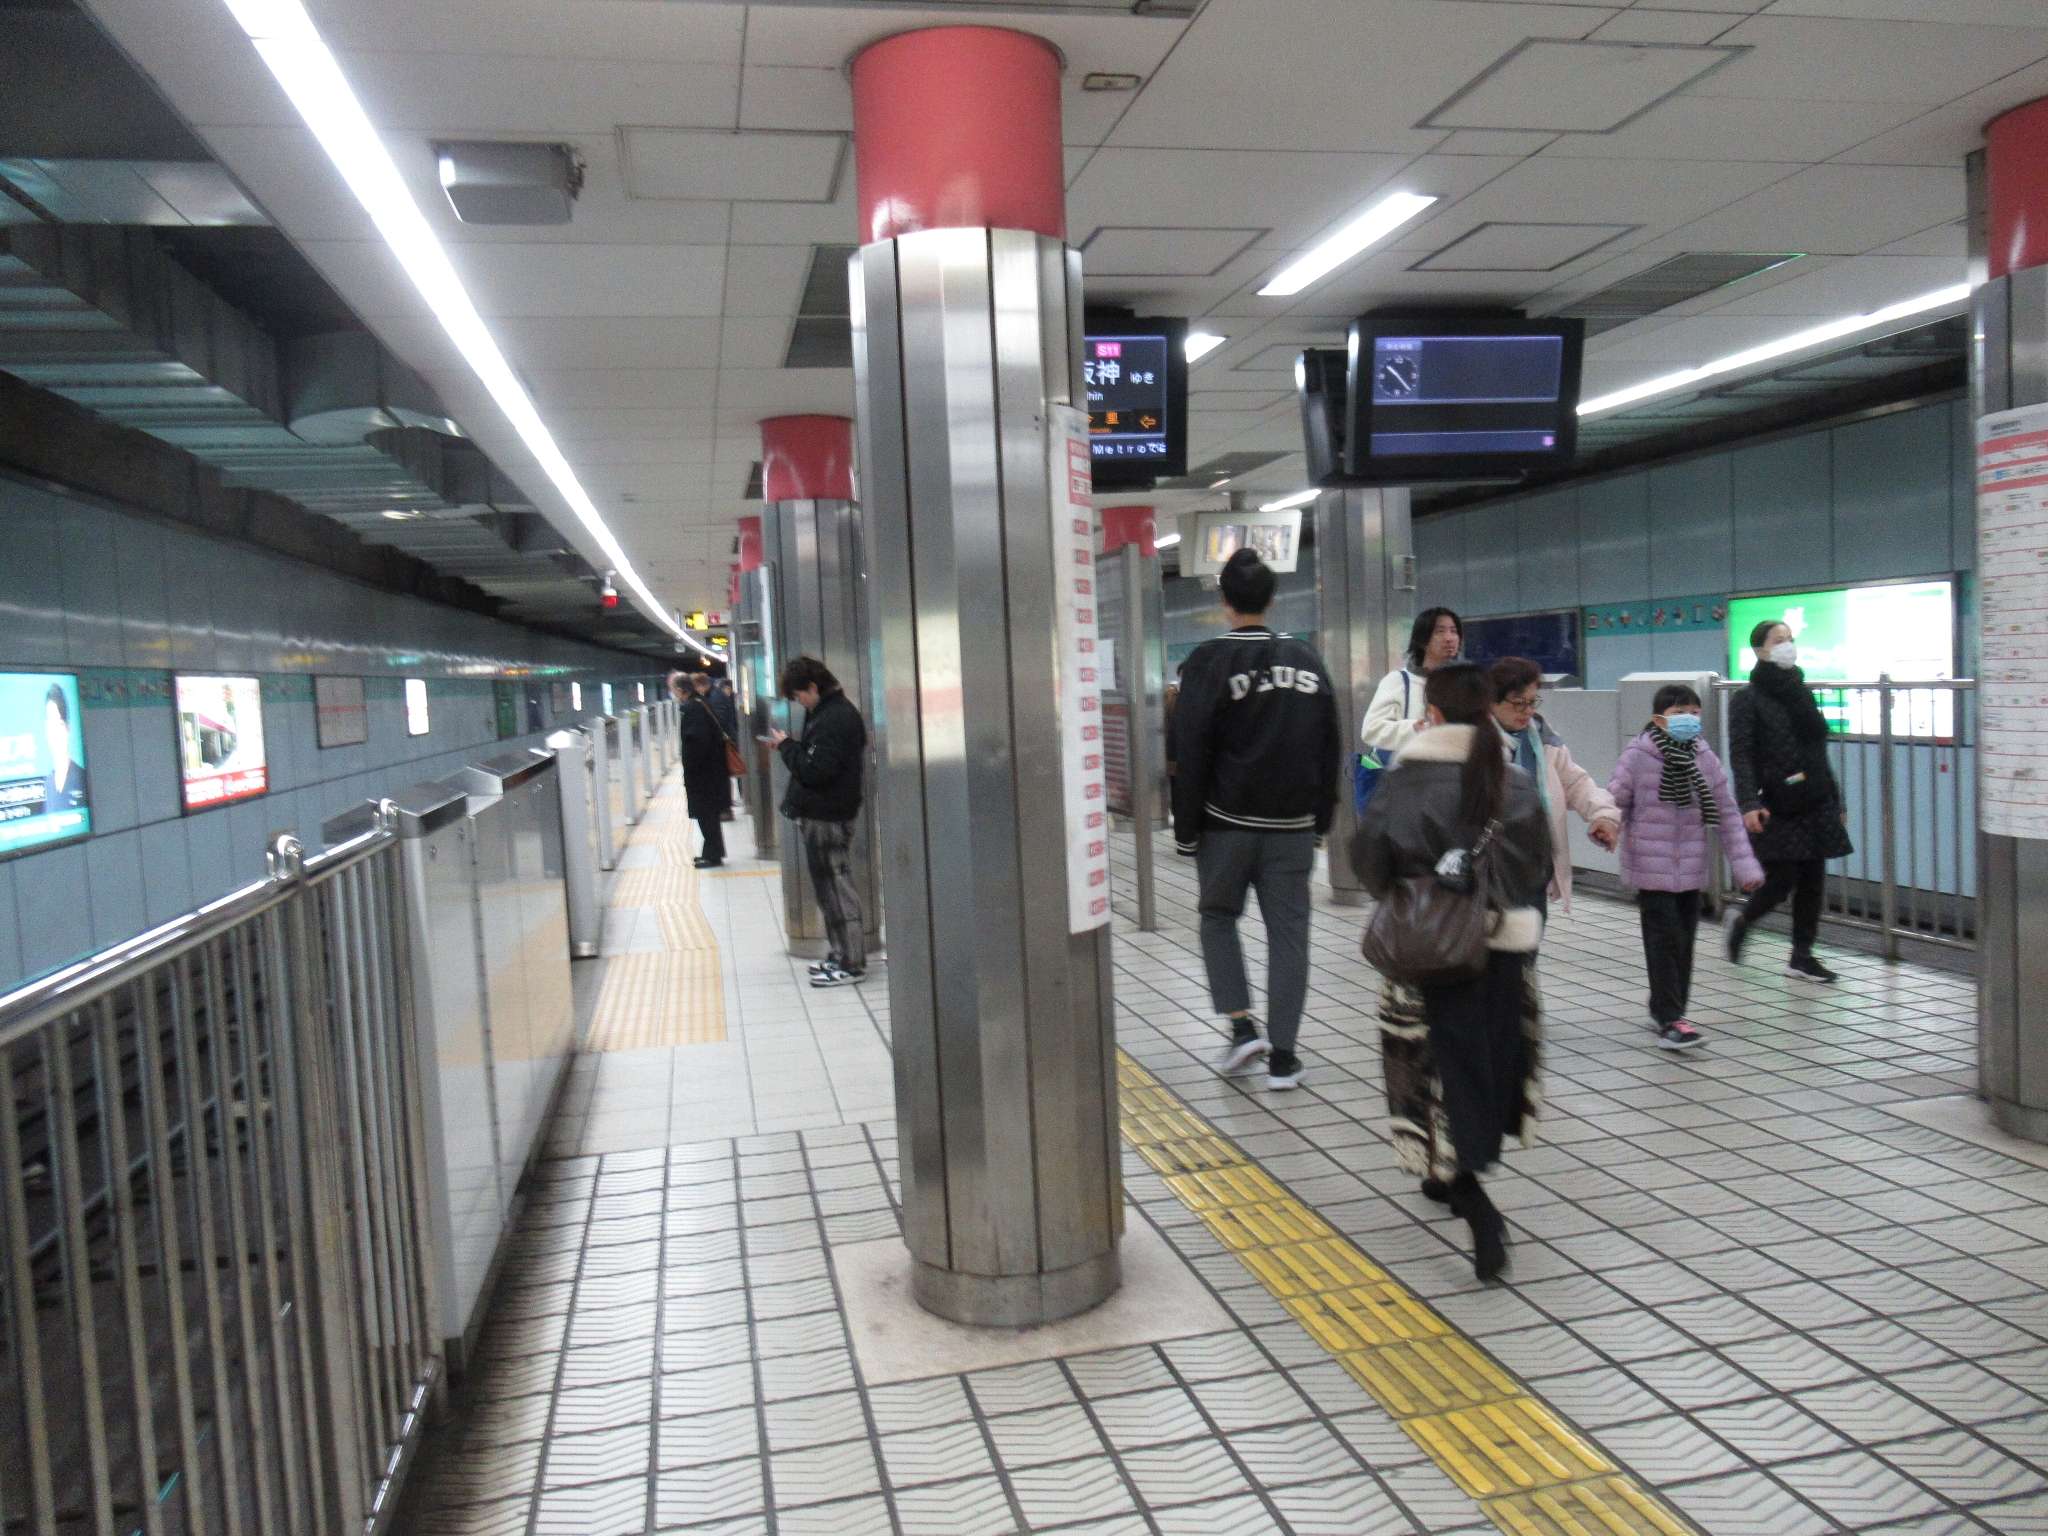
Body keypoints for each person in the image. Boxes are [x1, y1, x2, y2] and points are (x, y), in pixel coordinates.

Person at [1352, 662, 1551, 1281]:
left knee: (1428, 1069)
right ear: (1487, 711)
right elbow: (1534, 865)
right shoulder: (1512, 780)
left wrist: (1415, 892)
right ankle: (1460, 1178)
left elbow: (1369, 859)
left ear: (1432, 713)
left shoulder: (1404, 779)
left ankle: (1469, 1196)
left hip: (1425, 947)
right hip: (1500, 950)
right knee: (1479, 1066)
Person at [1171, 549, 1343, 1090]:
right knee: (1289, 936)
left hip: (1225, 823)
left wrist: (1186, 826)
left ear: (1224, 601)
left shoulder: (1206, 661)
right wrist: (1320, 820)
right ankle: (1285, 1059)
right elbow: (1330, 744)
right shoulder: (1309, 661)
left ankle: (1243, 1027)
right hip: (1292, 827)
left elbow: (1189, 746)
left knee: (1217, 917)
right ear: (1271, 599)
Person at [1361, 607, 1464, 1178]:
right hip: (1409, 814)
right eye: (1442, 631)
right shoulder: (1399, 685)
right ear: (1423, 637)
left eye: (1456, 631)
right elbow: (1372, 733)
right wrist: (1417, 730)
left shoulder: (1468, 685)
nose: (1451, 639)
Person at [1610, 685, 1765, 1050]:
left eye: (1695, 713)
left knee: (1684, 945)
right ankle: (1671, 1019)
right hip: (1652, 871)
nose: (1690, 720)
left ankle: (1665, 1008)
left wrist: (1745, 866)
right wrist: (1604, 825)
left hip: (1691, 872)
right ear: (1659, 717)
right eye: (1682, 712)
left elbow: (1727, 814)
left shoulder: (1704, 758)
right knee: (1664, 942)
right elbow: (1614, 800)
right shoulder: (1638, 756)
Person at [1726, 620, 1854, 983]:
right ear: (1760, 651)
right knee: (1781, 879)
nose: (1788, 646)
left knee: (1813, 878)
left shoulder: (1801, 692)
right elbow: (1742, 754)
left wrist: (1836, 796)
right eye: (1779, 640)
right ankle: (1743, 919)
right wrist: (1748, 802)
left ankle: (1802, 955)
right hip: (1777, 800)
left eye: (1790, 639)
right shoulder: (1747, 700)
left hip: (1815, 795)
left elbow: (1817, 750)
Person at [1487, 657, 1621, 915]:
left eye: (1532, 702)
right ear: (1492, 701)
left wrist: (1603, 816)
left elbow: (1577, 783)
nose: (1527, 711)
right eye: (1518, 703)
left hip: (1534, 865)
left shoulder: (1542, 740)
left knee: (1529, 944)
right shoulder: (1475, 743)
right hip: (1492, 869)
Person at [768, 656, 868, 988]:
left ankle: (852, 962)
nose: (799, 703)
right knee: (828, 890)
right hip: (823, 813)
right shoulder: (826, 714)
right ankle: (840, 953)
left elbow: (816, 770)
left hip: (828, 815)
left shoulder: (836, 718)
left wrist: (786, 747)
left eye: (800, 696)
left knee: (837, 889)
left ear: (813, 687)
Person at [677, 671, 731, 869]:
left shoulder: (692, 708)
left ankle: (713, 855)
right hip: (711, 771)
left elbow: (696, 743)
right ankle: (711, 852)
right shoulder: (701, 702)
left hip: (703, 774)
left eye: (675, 691)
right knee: (709, 815)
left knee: (706, 814)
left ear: (682, 691)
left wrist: (690, 771)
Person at [40, 684, 86, 813]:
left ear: (68, 728)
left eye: (59, 724)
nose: (54, 731)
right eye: (50, 723)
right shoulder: (47, 784)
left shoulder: (81, 777)